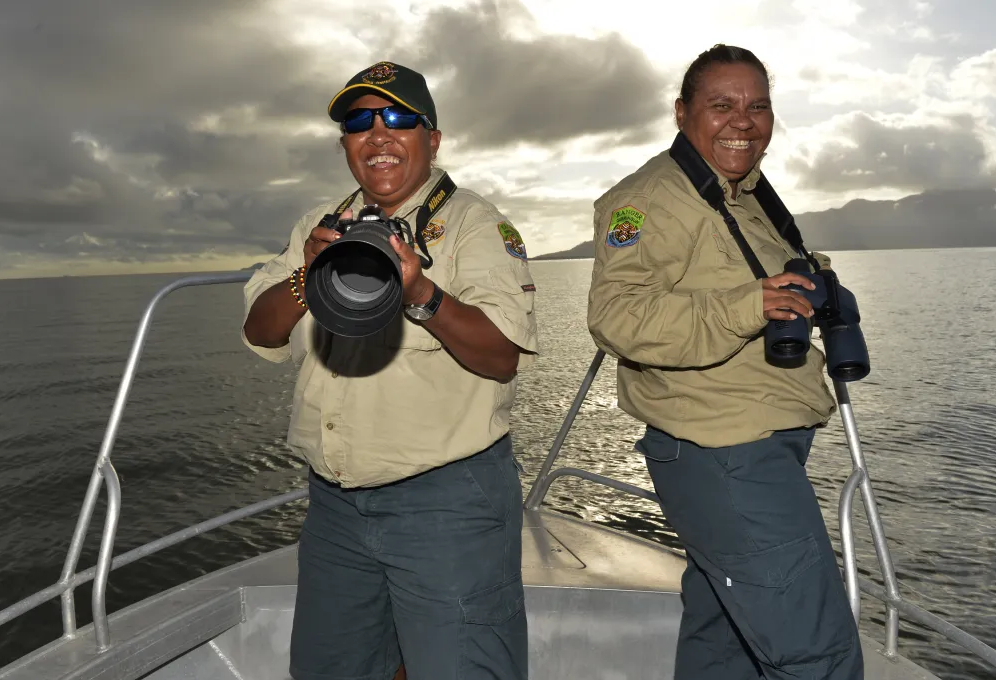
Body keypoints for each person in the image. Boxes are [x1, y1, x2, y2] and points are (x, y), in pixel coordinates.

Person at [241, 60, 538, 680]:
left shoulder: (475, 226)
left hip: (447, 502)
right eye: (358, 122)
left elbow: (501, 354)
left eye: (399, 118)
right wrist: (307, 275)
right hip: (334, 505)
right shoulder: (318, 227)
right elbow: (260, 329)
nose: (378, 134)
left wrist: (420, 292)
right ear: (345, 143)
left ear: (432, 137)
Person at [586, 44, 864, 679]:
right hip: (726, 454)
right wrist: (748, 305)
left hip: (756, 443)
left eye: (758, 106)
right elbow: (617, 317)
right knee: (817, 655)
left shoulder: (746, 192)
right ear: (683, 113)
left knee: (725, 642)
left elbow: (741, 271)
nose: (744, 120)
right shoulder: (650, 199)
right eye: (723, 105)